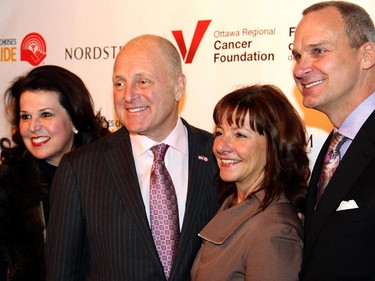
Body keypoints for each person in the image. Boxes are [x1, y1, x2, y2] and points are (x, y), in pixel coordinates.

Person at [45, 34, 219, 281]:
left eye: (143, 81)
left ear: (178, 86)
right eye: (119, 83)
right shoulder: (80, 169)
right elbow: (62, 273)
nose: (128, 96)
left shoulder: (217, 156)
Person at [0, 65, 110, 281]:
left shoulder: (109, 174)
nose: (33, 127)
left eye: (46, 114)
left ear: (75, 119)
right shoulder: (8, 184)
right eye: (25, 116)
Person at [191, 84, 310, 281]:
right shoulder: (231, 203)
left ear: (274, 145)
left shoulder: (276, 231)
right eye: (219, 132)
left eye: (240, 135)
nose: (221, 146)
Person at [292, 1, 375, 280]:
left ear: (367, 55)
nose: (300, 69)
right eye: (297, 55)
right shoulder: (334, 146)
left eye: (318, 51)